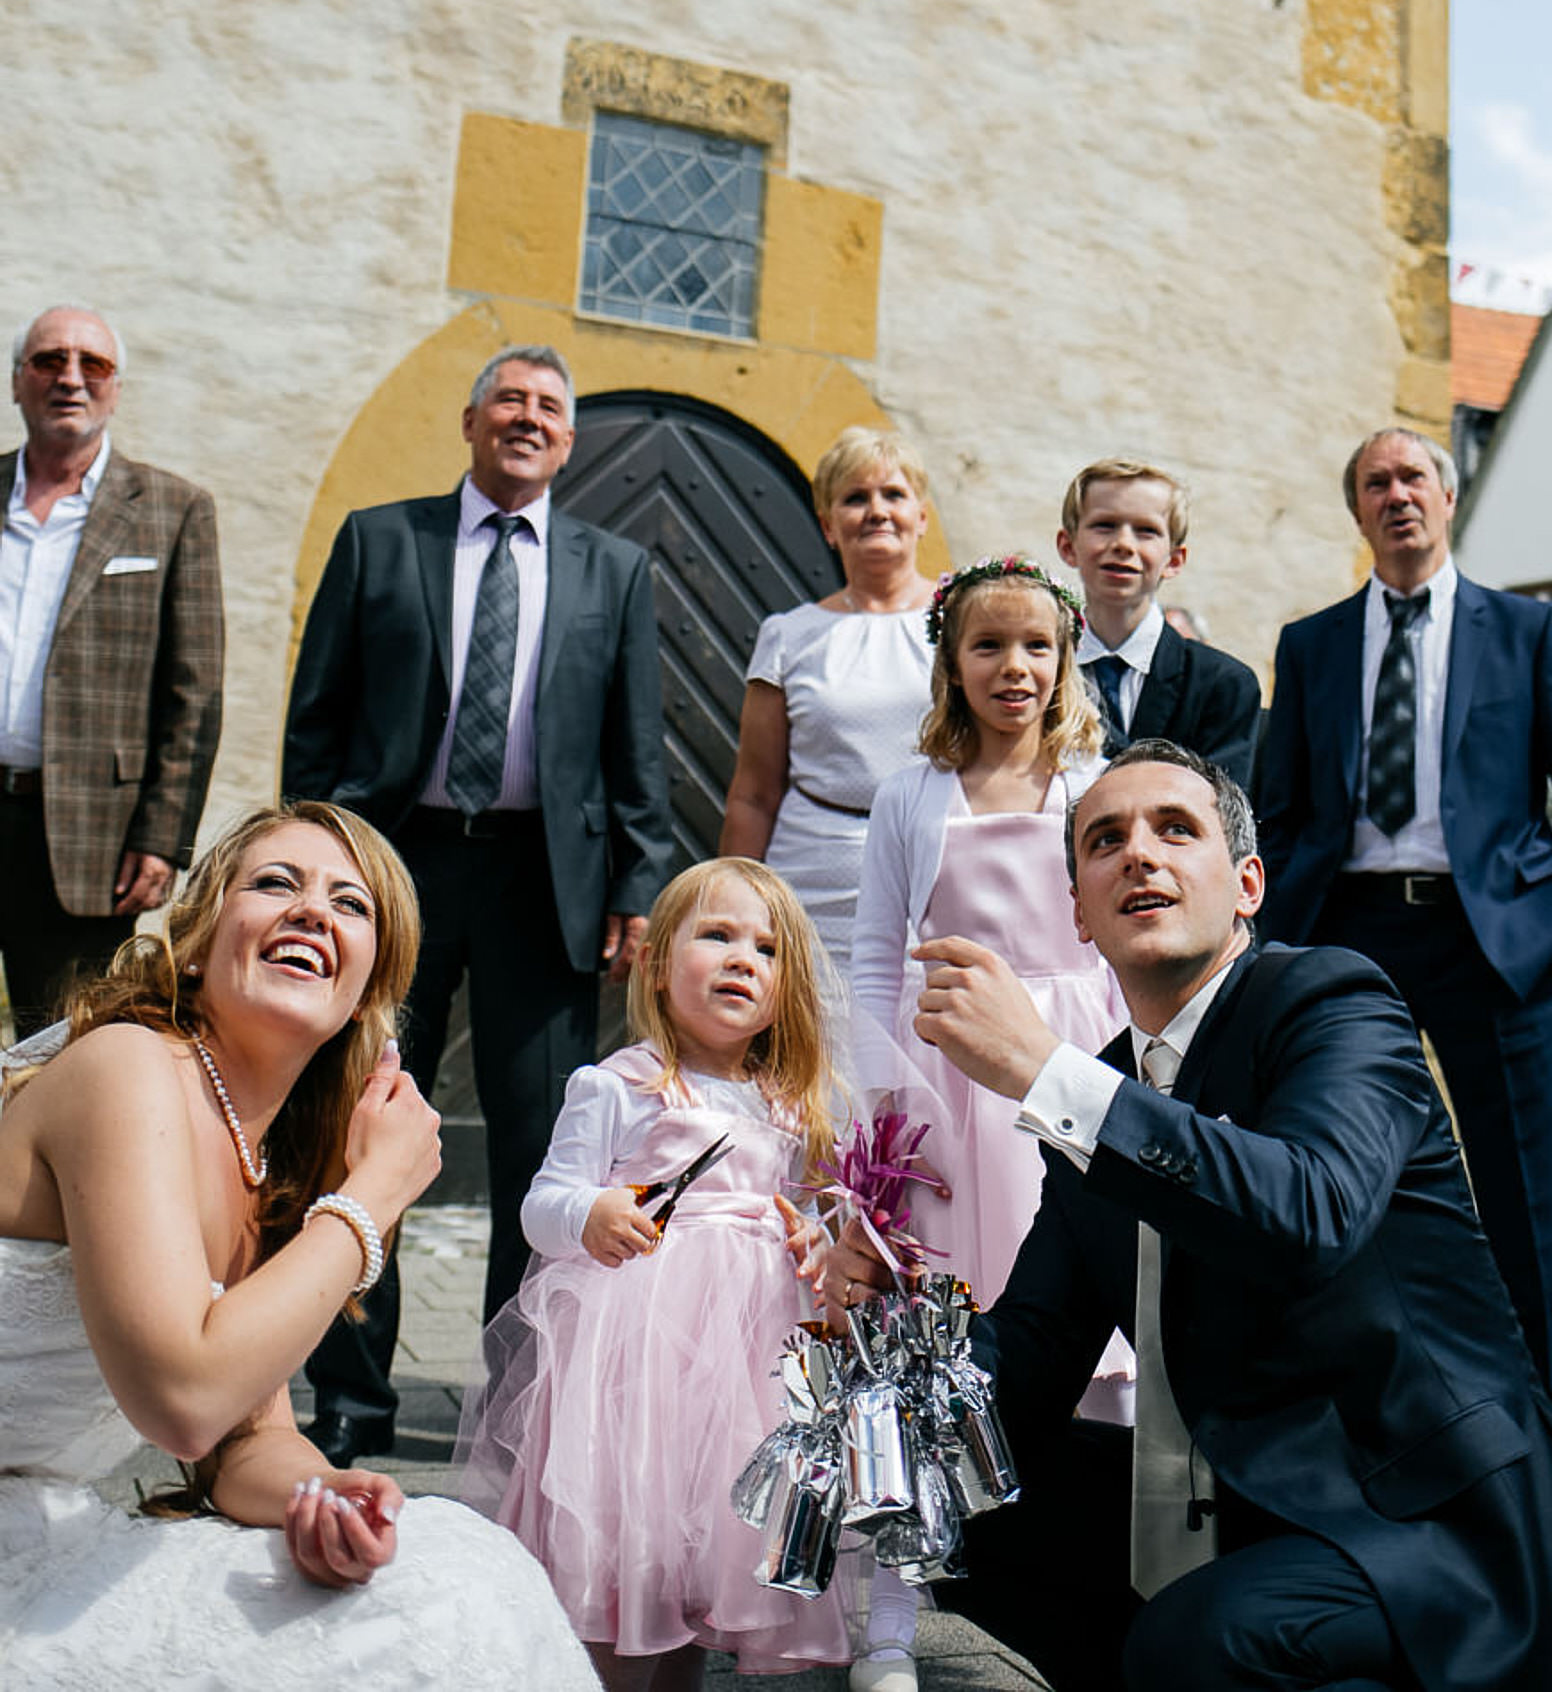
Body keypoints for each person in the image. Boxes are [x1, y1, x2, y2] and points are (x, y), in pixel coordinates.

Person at [833, 742, 1552, 1692]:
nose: (1140, 854)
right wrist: (898, 1351)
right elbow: (1038, 1350)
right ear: (1080, 914)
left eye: (1177, 830)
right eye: (1106, 841)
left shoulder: (1332, 1003)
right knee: (963, 1495)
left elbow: (1309, 1212)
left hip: (1421, 1509)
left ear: (1248, 883)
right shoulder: (1097, 1093)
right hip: (1243, 1491)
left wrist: (1046, 1073)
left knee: (1205, 1640)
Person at [0, 801, 595, 1687]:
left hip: (30, 1520)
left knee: (466, 1573)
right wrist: (372, 1197)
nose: (313, 909)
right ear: (197, 943)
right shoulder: (125, 1069)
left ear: (367, 996)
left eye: (351, 905)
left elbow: (244, 1439)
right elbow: (184, 1403)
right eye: (276, 883)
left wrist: (318, 1498)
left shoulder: (271, 1168)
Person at [282, 342, 675, 1467]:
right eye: (510, 398)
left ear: (568, 438)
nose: (529, 416)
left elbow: (633, 750)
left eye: (550, 406)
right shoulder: (379, 538)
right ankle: (350, 1397)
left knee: (541, 1143)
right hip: (390, 867)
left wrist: (636, 887)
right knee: (356, 1126)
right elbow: (317, 719)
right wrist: (312, 865)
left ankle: (511, 1399)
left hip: (541, 882)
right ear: (469, 420)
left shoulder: (613, 569)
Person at [1255, 425, 1552, 1445]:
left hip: (1492, 941)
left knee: (1521, 1195)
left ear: (1447, 495)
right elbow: (1277, 807)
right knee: (1339, 1179)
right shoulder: (1313, 643)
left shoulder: (1528, 632)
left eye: (1412, 475)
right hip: (1349, 935)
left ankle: (1550, 1418)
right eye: (1374, 481)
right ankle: (1365, 1403)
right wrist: (1283, 935)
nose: (1395, 494)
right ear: (1358, 509)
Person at [849, 554, 1133, 1692]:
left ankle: (1095, 1598)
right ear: (950, 662)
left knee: (1083, 1352)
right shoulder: (909, 794)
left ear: (1065, 657)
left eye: (1034, 646)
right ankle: (884, 1623)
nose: (1012, 667)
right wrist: (884, 1108)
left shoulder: (1095, 785)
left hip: (1062, 1080)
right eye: (985, 645)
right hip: (944, 1092)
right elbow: (874, 954)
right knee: (914, 1355)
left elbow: (1121, 953)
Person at [462, 859, 848, 1692]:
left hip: (744, 1367)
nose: (743, 959)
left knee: (698, 1571)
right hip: (640, 1364)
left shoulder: (786, 1105)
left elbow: (804, 1214)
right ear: (658, 963)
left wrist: (817, 1240)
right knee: (626, 1553)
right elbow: (544, 1204)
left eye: (768, 949)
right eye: (717, 936)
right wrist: (593, 1212)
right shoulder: (621, 1086)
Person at [1, 303, 223, 1031]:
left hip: (89, 838)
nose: (69, 378)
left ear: (115, 388)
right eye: (48, 360)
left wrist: (163, 837)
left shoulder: (173, 509)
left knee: (59, 1049)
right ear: (17, 383)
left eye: (91, 364)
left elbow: (194, 692)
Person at [722, 426, 935, 983]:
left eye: (893, 495)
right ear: (828, 525)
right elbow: (754, 791)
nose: (876, 511)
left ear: (922, 517)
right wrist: (730, 897)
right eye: (855, 498)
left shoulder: (962, 621)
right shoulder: (790, 636)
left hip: (931, 868)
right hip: (812, 875)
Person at [1056, 457, 1260, 789]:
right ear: (1068, 546)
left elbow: (1219, 810)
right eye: (1104, 525)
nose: (1123, 544)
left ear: (1174, 560)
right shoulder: (1041, 671)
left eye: (1146, 531)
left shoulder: (1221, 684)